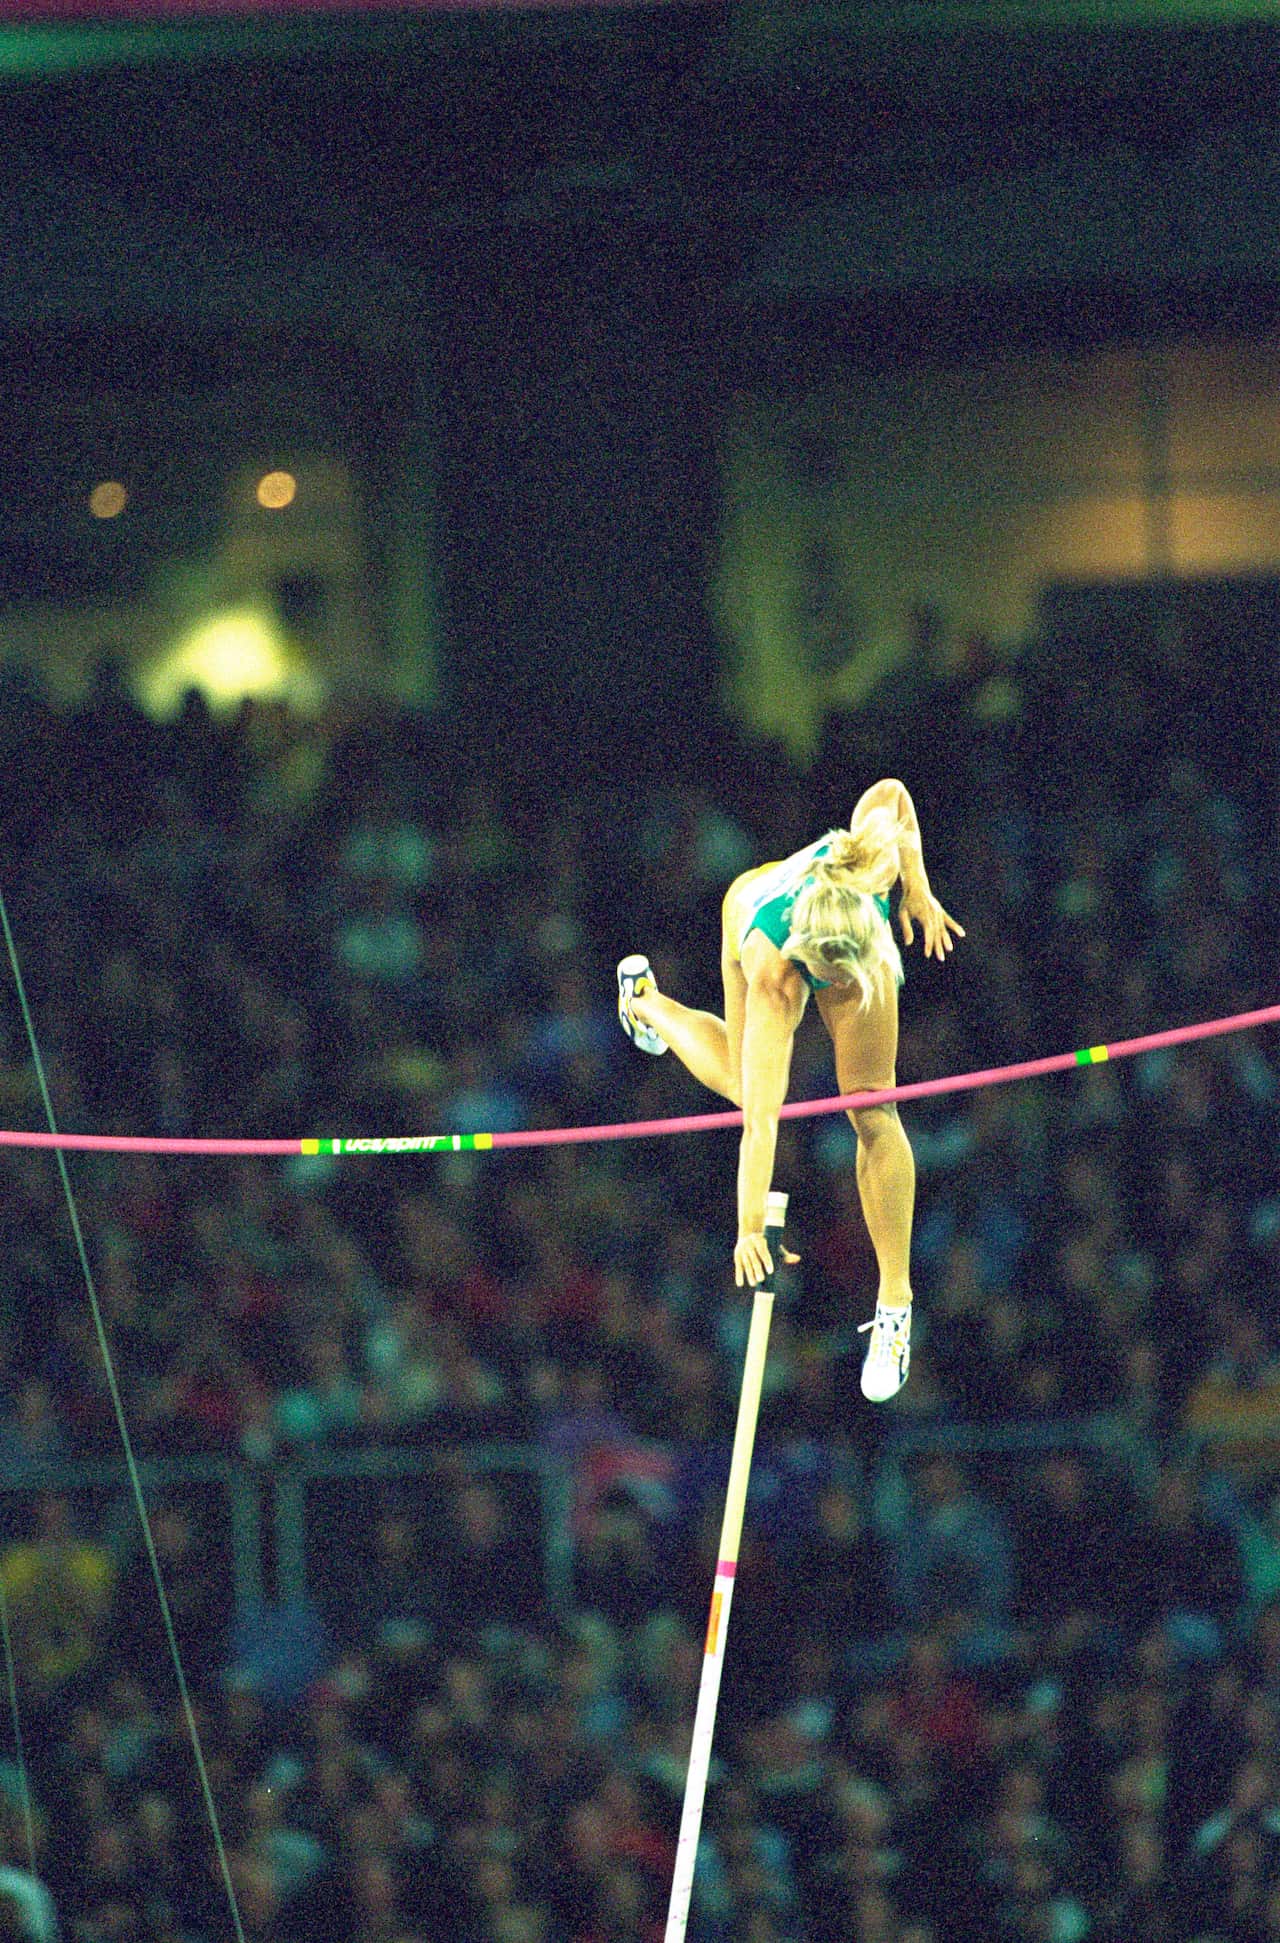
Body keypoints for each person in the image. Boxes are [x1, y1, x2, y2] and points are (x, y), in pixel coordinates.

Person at [617, 779, 961, 1401]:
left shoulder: (871, 866)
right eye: (829, 978)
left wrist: (918, 884)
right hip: (754, 909)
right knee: (746, 1086)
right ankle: (647, 1003)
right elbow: (761, 1123)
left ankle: (895, 1309)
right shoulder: (774, 975)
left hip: (838, 918)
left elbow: (894, 795)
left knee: (873, 1108)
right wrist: (750, 1225)